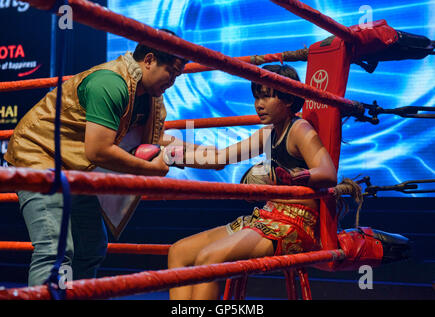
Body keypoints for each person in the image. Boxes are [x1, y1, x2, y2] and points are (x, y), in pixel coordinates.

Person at [4, 29, 191, 286]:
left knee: (91, 247)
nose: (174, 81)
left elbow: (154, 143)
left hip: (74, 166)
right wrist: (152, 170)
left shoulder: (147, 96)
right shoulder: (111, 83)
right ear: (149, 60)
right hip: (37, 155)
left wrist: (216, 154)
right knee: (54, 250)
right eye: (172, 72)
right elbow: (99, 151)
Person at [167, 64, 337, 300]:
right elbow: (219, 158)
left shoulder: (299, 128)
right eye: (257, 97)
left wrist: (289, 177)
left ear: (288, 98)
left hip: (296, 224)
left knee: (209, 257)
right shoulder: (268, 134)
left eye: (266, 96)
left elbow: (328, 172)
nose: (259, 104)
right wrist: (169, 153)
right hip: (268, 215)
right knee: (180, 252)